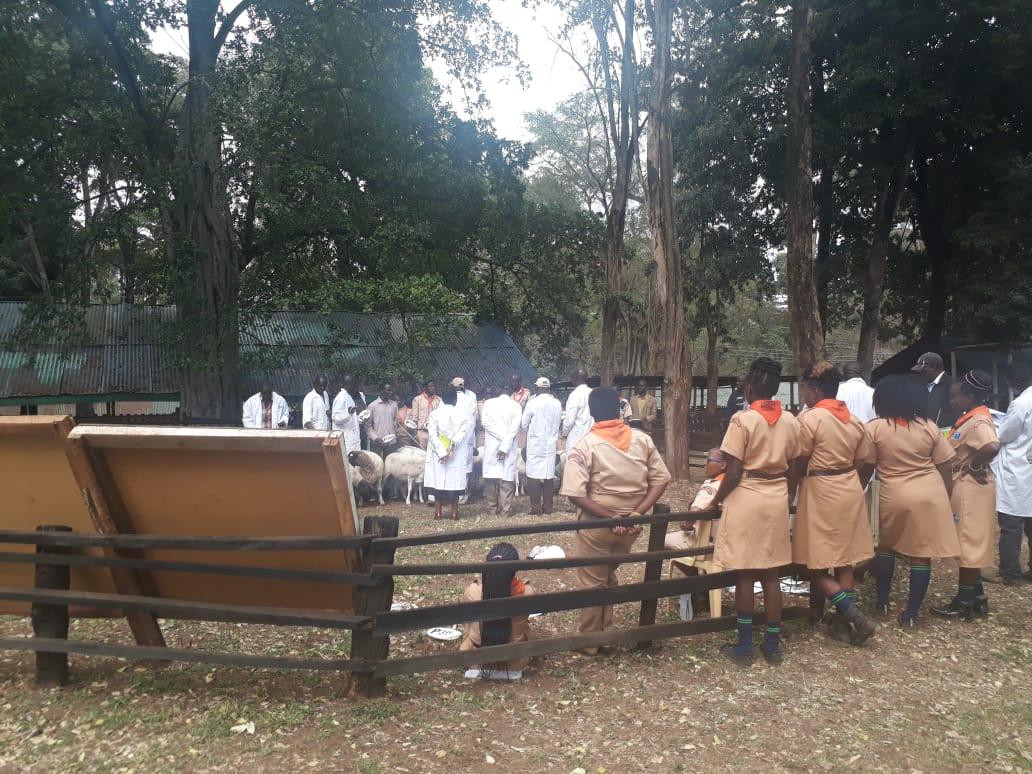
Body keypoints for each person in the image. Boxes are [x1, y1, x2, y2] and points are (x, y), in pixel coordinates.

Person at [703, 357, 800, 667]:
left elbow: (731, 473)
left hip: (747, 496)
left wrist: (713, 501)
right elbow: (796, 464)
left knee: (745, 574)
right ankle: (772, 644)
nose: (742, 387)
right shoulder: (790, 420)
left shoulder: (742, 421)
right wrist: (788, 494)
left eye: (745, 382)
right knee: (771, 575)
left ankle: (745, 646)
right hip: (775, 497)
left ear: (753, 385)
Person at [559, 387, 671, 652]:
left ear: (591, 412)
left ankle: (590, 642)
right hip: (631, 528)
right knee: (608, 576)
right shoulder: (641, 440)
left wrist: (611, 517)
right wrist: (635, 514)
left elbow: (575, 494)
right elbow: (661, 479)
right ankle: (606, 633)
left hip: (597, 525)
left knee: (591, 583)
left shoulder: (585, 445)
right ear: (620, 408)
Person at [790, 362, 877, 645]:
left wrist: (790, 489)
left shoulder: (811, 419)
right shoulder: (853, 420)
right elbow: (864, 460)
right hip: (849, 487)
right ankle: (842, 622)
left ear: (814, 391)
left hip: (820, 489)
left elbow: (800, 459)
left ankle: (852, 614)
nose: (804, 394)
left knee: (810, 564)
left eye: (804, 389)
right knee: (844, 559)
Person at [864, 375, 959, 627]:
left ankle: (881, 602)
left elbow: (867, 464)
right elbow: (946, 463)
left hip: (892, 494)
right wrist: (946, 494)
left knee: (885, 547)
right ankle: (912, 614)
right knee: (921, 555)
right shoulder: (928, 427)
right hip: (930, 494)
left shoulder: (876, 427)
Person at [931, 370, 1000, 620]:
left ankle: (963, 603)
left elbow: (992, 445)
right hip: (966, 487)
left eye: (954, 396)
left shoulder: (979, 420)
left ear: (969, 396)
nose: (951, 401)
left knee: (970, 545)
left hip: (972, 488)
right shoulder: (968, 418)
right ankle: (977, 596)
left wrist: (974, 464)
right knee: (966, 542)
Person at [459, 542, 535, 678]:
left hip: (477, 661)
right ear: (515, 570)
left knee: (470, 623)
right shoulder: (528, 593)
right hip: (515, 662)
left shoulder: (472, 591)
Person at [991, 360, 1032, 585]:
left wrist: (996, 425)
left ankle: (1010, 574)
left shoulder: (1022, 403)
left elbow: (1005, 434)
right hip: (1028, 466)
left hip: (1018, 469)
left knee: (1011, 525)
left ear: (1016, 382)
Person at [665, 448, 725, 551]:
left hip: (706, 543)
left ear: (723, 465)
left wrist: (687, 524)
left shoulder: (712, 485)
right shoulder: (740, 486)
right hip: (728, 544)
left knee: (661, 541)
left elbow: (695, 511)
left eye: (708, 460)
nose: (704, 465)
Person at [424, 386, 470, 520]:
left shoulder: (435, 414)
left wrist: (441, 451)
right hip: (454, 453)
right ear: (455, 400)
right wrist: (450, 448)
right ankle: (454, 513)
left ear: (442, 399)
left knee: (438, 481)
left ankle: (438, 513)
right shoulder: (462, 415)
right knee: (454, 481)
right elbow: (461, 434)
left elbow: (432, 435)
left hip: (438, 454)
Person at [521, 377, 562, 515]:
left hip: (535, 444)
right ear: (548, 388)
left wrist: (532, 434)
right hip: (550, 444)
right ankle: (548, 508)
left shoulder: (532, 403)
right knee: (548, 475)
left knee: (533, 475)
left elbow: (524, 424)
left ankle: (536, 508)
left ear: (537, 388)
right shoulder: (557, 403)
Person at [480, 385, 522, 516]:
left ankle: (492, 509)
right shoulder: (516, 406)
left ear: (497, 392)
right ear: (511, 392)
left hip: (492, 445)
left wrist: (502, 441)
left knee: (491, 479)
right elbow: (515, 429)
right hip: (509, 446)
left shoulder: (489, 404)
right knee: (507, 479)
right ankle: (506, 510)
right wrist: (505, 443)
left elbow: (485, 423)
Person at [912, 352, 959, 427]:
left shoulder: (953, 386)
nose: (919, 373)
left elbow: (957, 414)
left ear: (933, 368)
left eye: (922, 370)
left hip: (944, 435)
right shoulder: (921, 385)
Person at [451, 377, 478, 500]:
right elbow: (474, 418)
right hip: (466, 437)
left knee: (455, 466)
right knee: (464, 467)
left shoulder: (452, 398)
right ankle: (462, 495)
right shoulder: (469, 398)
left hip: (455, 438)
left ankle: (457, 495)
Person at [562, 368, 593, 450]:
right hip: (591, 438)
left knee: (573, 462)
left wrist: (564, 433)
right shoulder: (593, 393)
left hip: (576, 439)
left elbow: (569, 421)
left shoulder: (574, 395)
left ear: (574, 379)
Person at [364, 383, 399, 456]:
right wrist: (375, 438)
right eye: (388, 390)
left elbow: (396, 421)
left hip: (391, 442)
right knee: (377, 465)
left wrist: (394, 432)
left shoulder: (394, 405)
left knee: (390, 465)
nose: (391, 392)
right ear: (381, 391)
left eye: (391, 390)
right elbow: (368, 426)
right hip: (377, 442)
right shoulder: (372, 406)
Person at [331, 374, 363, 452]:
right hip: (346, 441)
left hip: (353, 439)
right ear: (348, 385)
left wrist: (360, 419)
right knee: (347, 463)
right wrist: (349, 414)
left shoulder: (348, 396)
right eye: (353, 383)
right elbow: (336, 418)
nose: (355, 385)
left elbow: (352, 418)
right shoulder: (341, 397)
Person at [411, 380, 441, 450]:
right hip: (422, 432)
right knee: (422, 455)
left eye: (434, 386)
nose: (433, 388)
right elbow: (415, 417)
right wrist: (415, 434)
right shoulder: (417, 399)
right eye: (430, 386)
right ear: (425, 388)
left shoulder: (439, 400)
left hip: (435, 433)